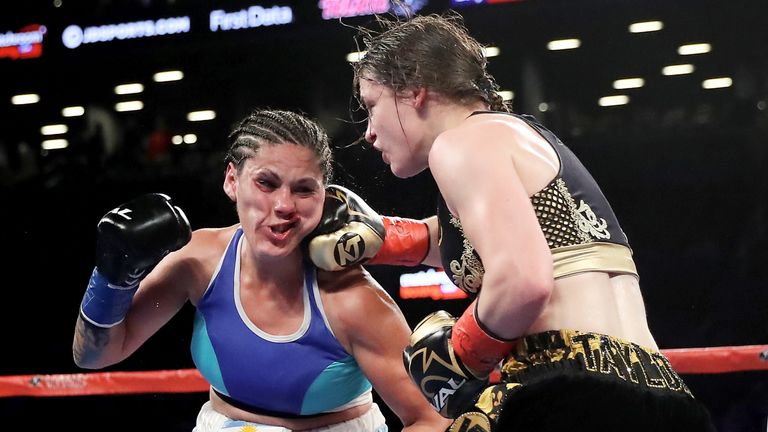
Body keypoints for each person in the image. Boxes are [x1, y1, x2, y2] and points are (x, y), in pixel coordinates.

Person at [306, 12, 718, 432]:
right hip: (662, 392)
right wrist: (389, 238)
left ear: (414, 91)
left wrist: (459, 354)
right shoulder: (515, 136)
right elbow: (497, 241)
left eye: (372, 106)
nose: (369, 132)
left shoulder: (458, 146)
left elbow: (523, 279)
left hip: (573, 387)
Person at [72, 108, 451, 432]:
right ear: (232, 180)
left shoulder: (354, 300)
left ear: (325, 196)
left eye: (304, 189)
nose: (284, 204)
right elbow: (95, 356)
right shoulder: (198, 261)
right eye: (266, 183)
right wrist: (111, 277)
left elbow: (428, 420)